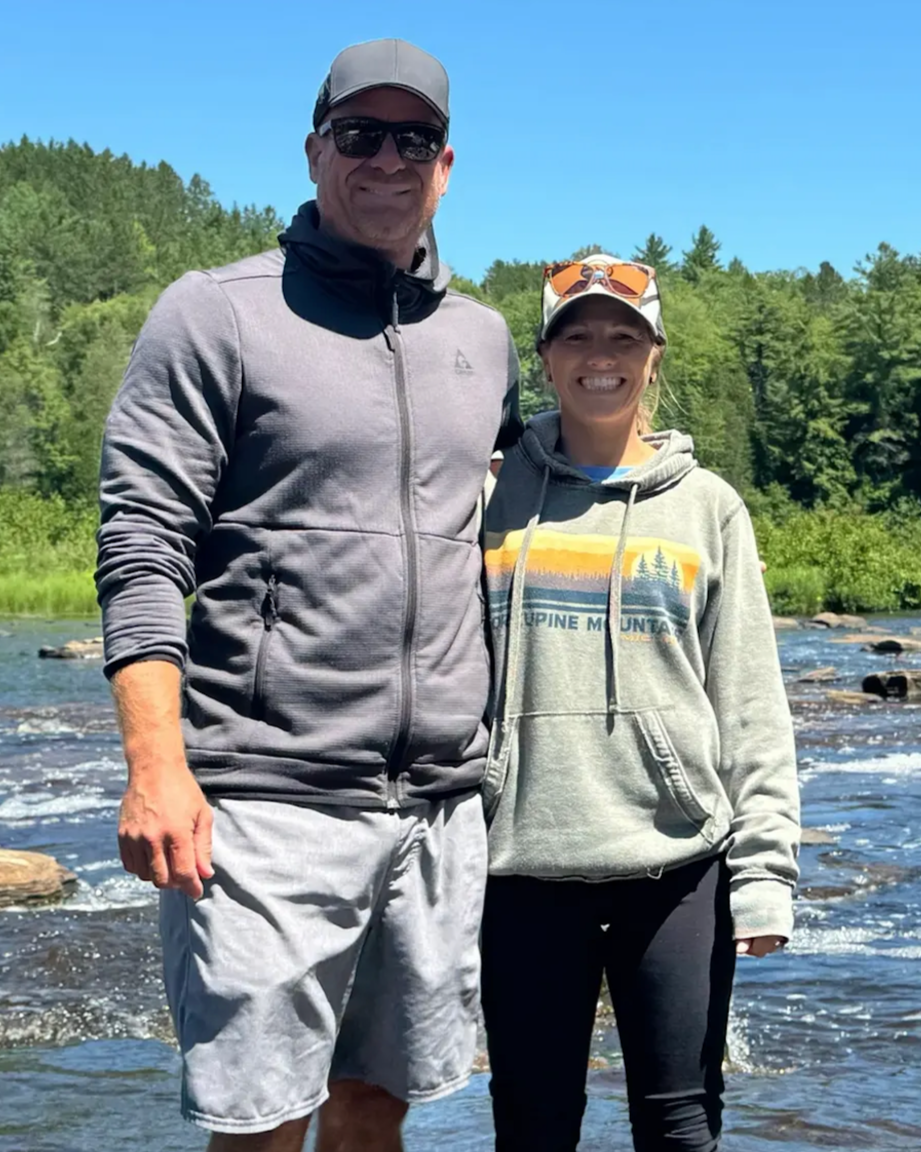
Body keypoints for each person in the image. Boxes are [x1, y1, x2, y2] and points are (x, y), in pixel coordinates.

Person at [96, 38, 521, 1152]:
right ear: (314, 150)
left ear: (446, 164)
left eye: (413, 138)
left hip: (436, 807)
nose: (387, 158)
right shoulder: (218, 313)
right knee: (261, 1120)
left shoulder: (482, 340)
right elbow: (143, 544)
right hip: (266, 800)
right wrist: (156, 768)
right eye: (360, 135)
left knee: (379, 1104)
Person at [479, 254, 800, 1151]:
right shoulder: (488, 496)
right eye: (575, 335)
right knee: (532, 1126)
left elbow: (749, 702)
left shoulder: (708, 509)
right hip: (520, 863)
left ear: (654, 354)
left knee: (681, 1125)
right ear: (544, 357)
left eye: (623, 336)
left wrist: (765, 875)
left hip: (678, 864)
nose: (600, 354)